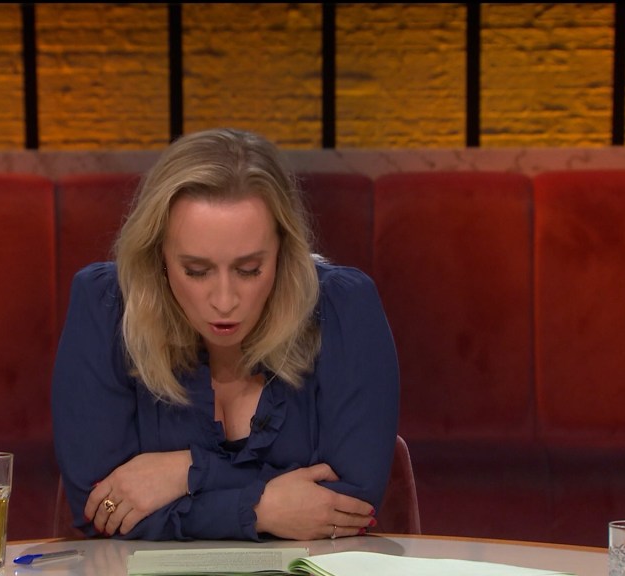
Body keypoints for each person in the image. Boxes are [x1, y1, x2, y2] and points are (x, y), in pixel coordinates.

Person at [51, 127, 400, 542]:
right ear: (159, 255)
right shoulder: (106, 306)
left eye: (249, 269)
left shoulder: (344, 307)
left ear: (283, 252)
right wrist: (261, 509)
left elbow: (348, 505)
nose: (224, 300)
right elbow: (100, 509)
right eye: (196, 271)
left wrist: (185, 471)